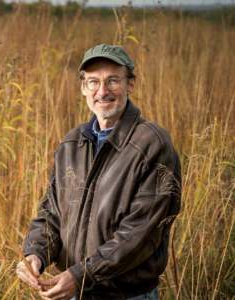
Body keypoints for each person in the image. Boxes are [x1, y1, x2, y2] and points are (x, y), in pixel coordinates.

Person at [16, 44, 181, 300]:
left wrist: (82, 275)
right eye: (93, 82)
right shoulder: (71, 144)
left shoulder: (152, 144)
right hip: (72, 292)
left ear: (130, 85)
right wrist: (35, 255)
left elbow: (140, 233)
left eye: (113, 80)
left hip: (127, 295)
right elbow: (51, 213)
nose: (102, 91)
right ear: (83, 88)